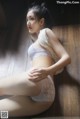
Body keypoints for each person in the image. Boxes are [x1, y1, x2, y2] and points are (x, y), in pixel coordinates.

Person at [0, 3, 71, 117]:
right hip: (46, 99)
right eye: (27, 19)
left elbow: (67, 58)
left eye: (31, 19)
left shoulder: (46, 32)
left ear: (42, 22)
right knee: (2, 114)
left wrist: (47, 71)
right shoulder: (38, 43)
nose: (28, 23)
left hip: (40, 82)